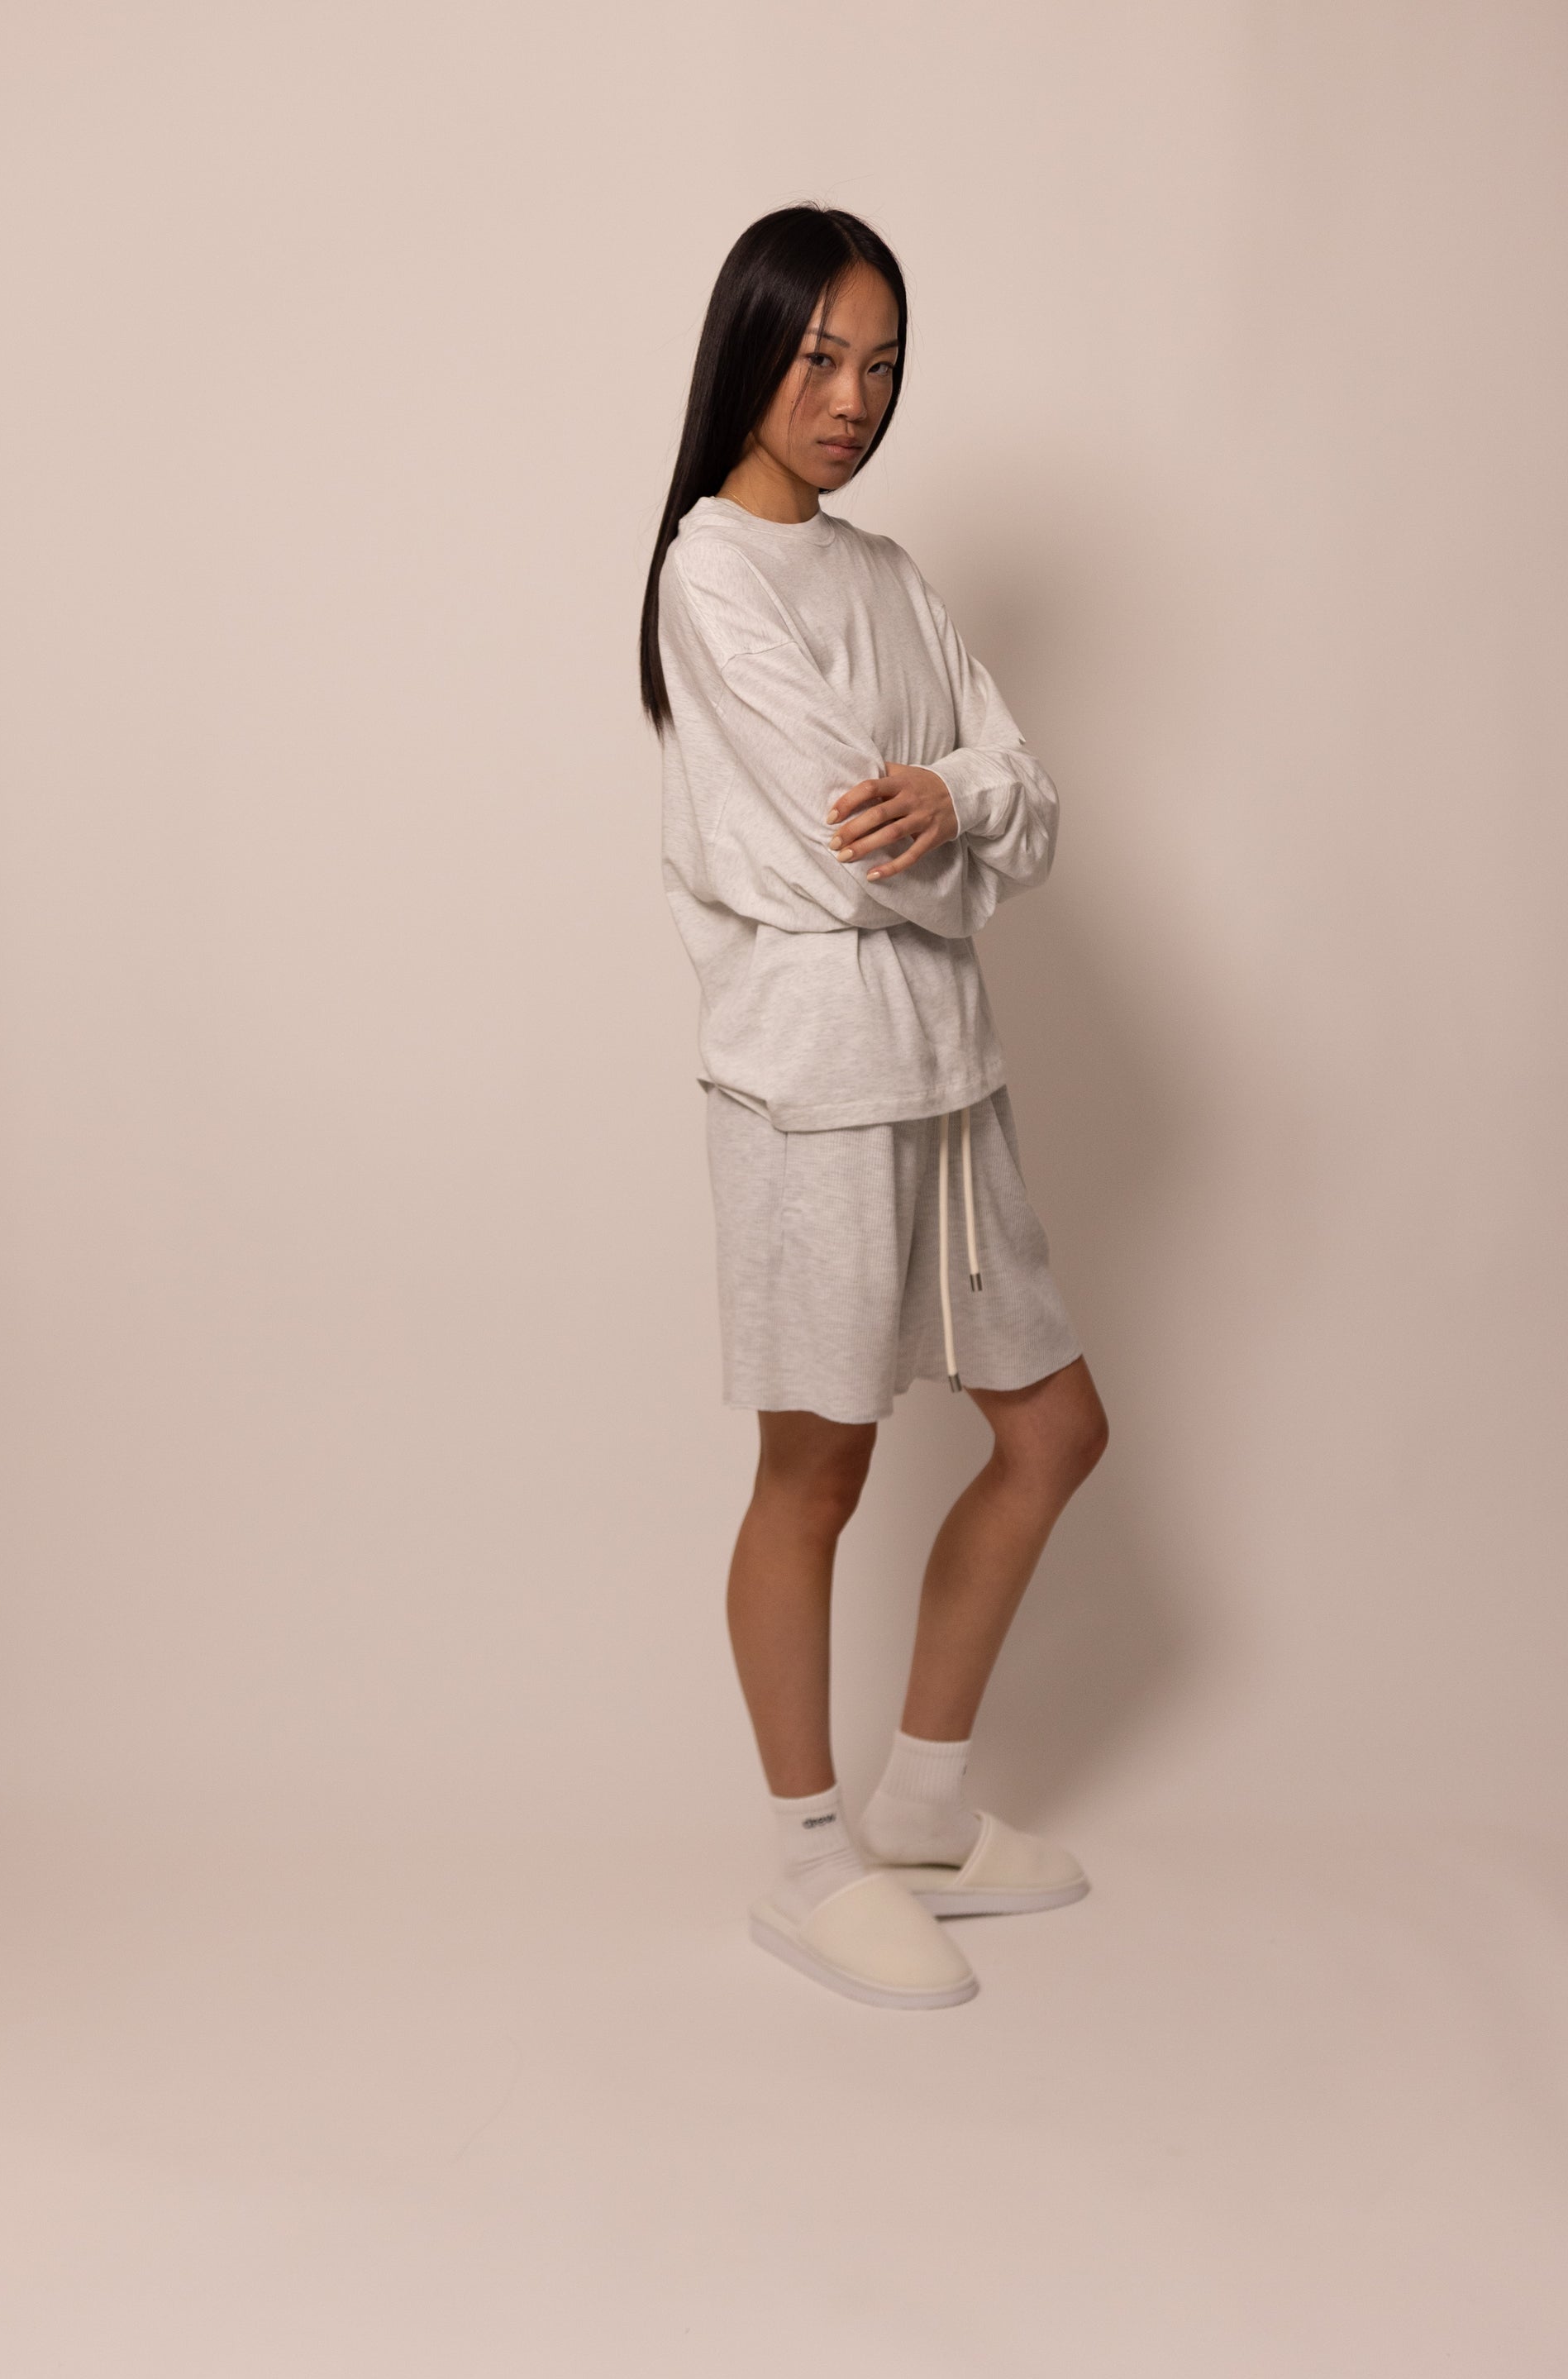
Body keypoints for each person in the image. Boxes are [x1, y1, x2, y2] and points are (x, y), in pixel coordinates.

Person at [638, 203, 1109, 2010]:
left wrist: (962, 803)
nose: (853, 397)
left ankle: (921, 1810)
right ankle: (808, 1860)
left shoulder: (891, 574)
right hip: (813, 1084)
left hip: (950, 1074)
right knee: (816, 1468)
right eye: (821, 355)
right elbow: (865, 847)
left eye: (883, 364)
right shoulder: (712, 576)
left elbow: (1029, 801)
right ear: (750, 350)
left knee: (1055, 1431)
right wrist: (960, 829)